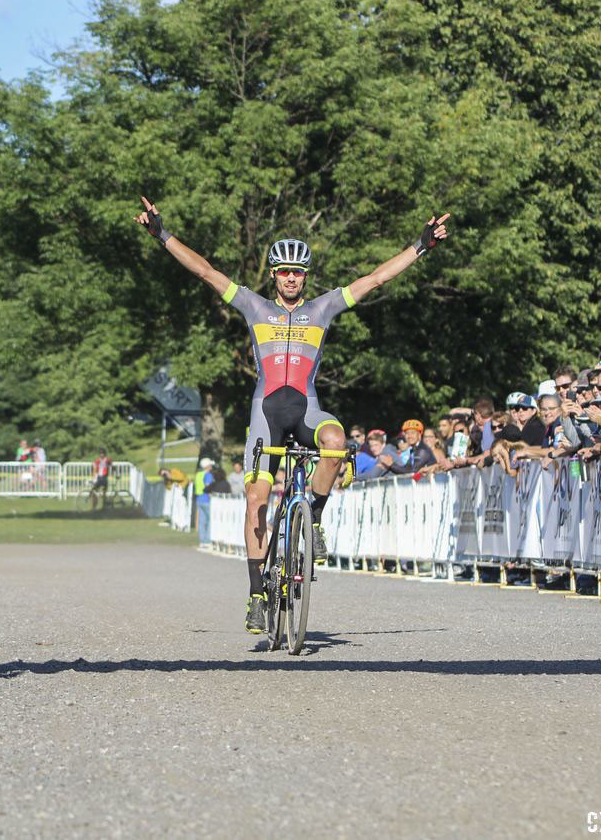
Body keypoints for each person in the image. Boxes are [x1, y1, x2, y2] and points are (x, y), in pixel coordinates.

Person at [136, 196, 450, 633]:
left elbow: (375, 279)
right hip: (266, 415)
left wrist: (420, 246)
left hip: (307, 410)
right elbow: (205, 271)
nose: (290, 278)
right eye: (283, 271)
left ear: (306, 276)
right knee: (256, 503)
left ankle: (313, 516)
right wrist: (162, 235)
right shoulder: (253, 306)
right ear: (273, 275)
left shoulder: (321, 308)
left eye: (297, 271)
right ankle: (256, 595)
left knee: (337, 443)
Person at [194, 458, 215, 546]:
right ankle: (208, 540)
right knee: (210, 520)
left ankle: (202, 540)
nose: (211, 467)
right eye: (210, 465)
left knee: (202, 521)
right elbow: (208, 486)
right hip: (206, 499)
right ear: (207, 466)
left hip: (199, 499)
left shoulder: (198, 474)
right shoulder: (208, 475)